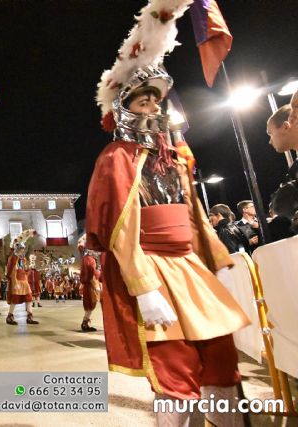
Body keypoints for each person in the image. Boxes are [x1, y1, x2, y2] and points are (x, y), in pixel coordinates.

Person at [86, 3, 250, 425]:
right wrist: (143, 287)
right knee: (175, 379)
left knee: (221, 366)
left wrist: (216, 260)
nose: (152, 109)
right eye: (142, 102)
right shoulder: (117, 156)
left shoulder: (175, 157)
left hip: (190, 269)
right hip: (153, 270)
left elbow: (194, 214)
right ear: (124, 108)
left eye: (155, 102)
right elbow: (117, 227)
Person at [5, 229, 39, 325]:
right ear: (17, 250)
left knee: (29, 298)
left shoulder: (22, 259)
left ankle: (30, 317)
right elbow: (11, 271)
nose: (22, 252)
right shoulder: (13, 258)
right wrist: (15, 283)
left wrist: (28, 269)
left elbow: (23, 270)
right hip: (17, 281)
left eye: (23, 250)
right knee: (15, 299)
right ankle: (9, 316)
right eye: (21, 250)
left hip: (24, 281)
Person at [78, 234, 100, 332]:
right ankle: (85, 322)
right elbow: (91, 274)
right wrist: (96, 286)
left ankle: (85, 321)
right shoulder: (89, 259)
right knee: (90, 304)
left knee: (90, 304)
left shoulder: (86, 259)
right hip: (90, 285)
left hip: (88, 285)